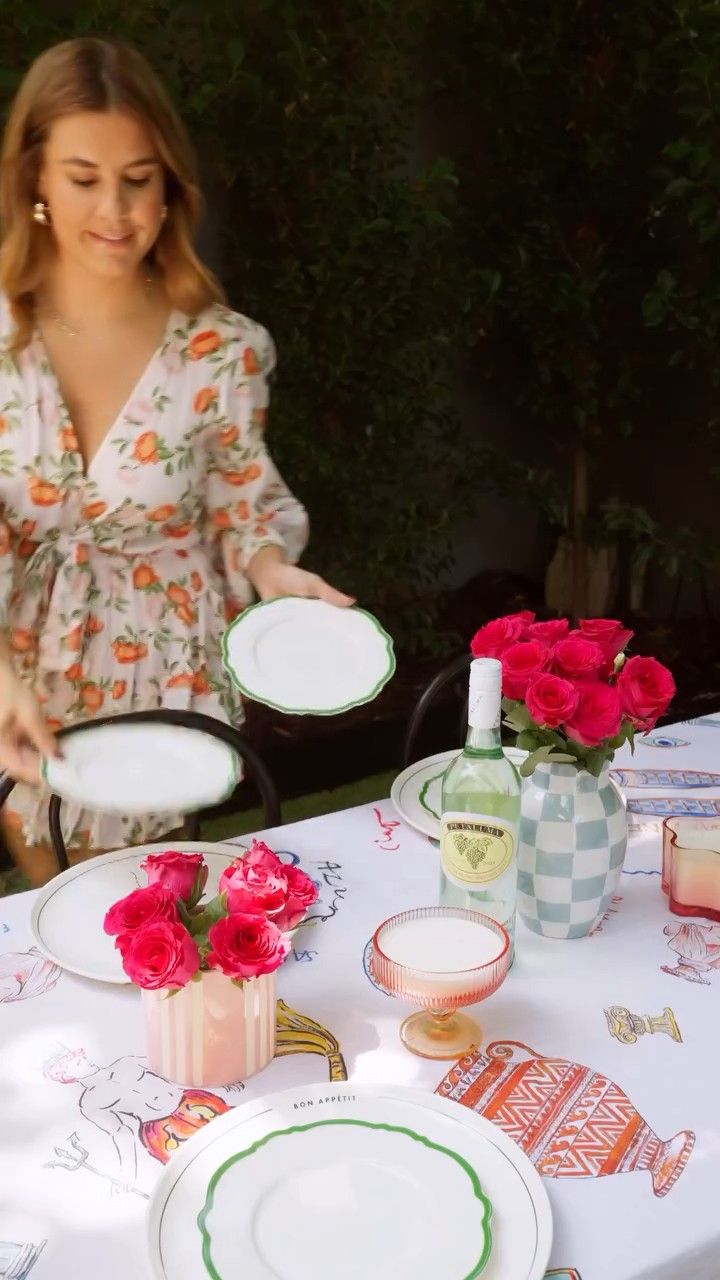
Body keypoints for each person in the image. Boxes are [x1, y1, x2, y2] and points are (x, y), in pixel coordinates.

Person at [0, 37, 353, 884]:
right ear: (35, 179)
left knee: (145, 911)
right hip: (22, 667)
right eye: (84, 178)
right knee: (54, 902)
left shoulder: (221, 349)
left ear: (170, 186)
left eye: (139, 178)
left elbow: (241, 502)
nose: (115, 210)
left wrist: (271, 571)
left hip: (161, 665)